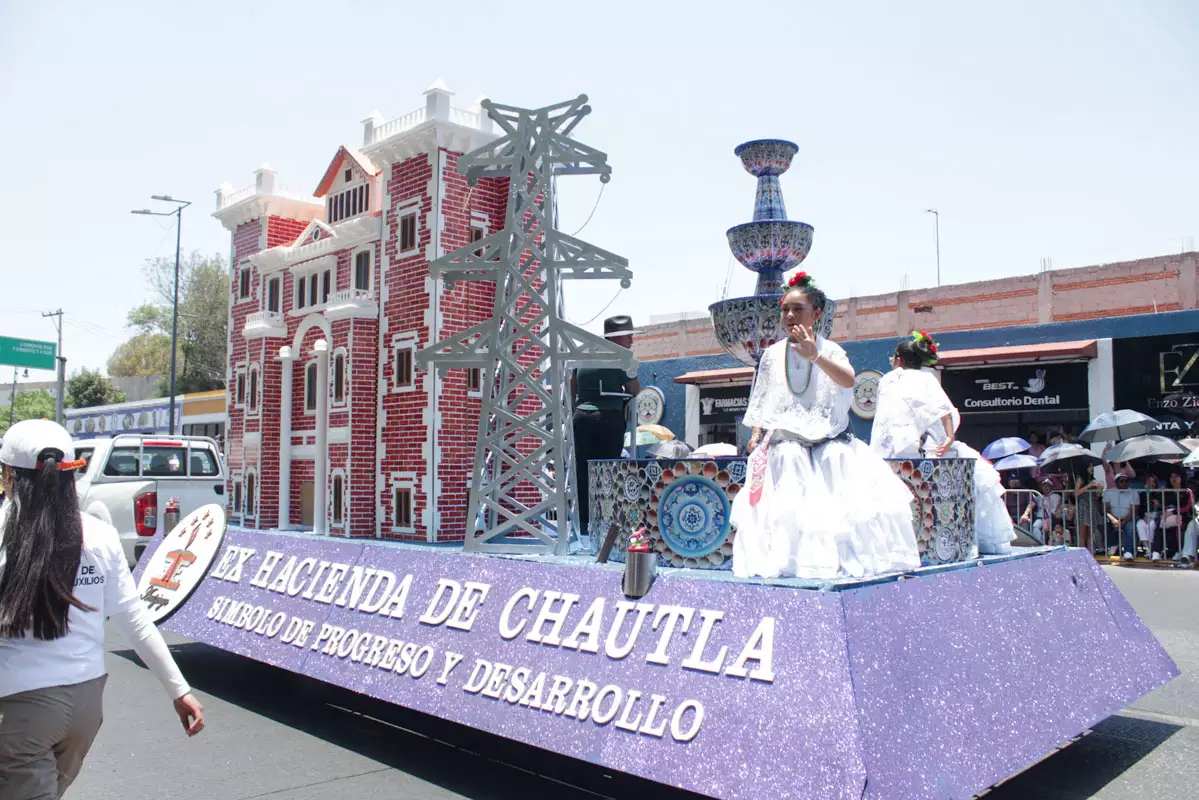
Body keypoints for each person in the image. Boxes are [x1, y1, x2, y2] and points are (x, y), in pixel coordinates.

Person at [0, 419, 204, 797]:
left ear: (10, 475)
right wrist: (179, 689)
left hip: (19, 706)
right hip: (86, 705)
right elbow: (134, 619)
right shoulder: (101, 536)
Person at [731, 272, 920, 580]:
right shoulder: (771, 354)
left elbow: (848, 380)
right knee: (788, 459)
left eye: (798, 309)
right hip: (786, 439)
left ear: (816, 313)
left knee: (836, 460)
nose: (790, 316)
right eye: (785, 309)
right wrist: (757, 435)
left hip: (828, 437)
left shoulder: (829, 349)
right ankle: (786, 559)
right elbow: (763, 399)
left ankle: (834, 558)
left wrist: (815, 356)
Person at [871, 331, 1015, 555]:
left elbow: (890, 422)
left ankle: (899, 547)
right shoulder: (926, 378)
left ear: (897, 359)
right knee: (938, 502)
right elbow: (943, 409)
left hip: (894, 452)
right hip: (923, 449)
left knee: (899, 501)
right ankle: (944, 545)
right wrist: (949, 437)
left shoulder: (890, 379)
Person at [571, 315, 640, 536]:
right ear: (617, 338)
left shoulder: (584, 355)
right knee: (609, 471)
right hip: (609, 418)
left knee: (583, 472)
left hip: (581, 418)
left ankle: (583, 522)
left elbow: (573, 386)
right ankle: (607, 524)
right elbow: (635, 389)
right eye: (628, 335)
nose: (631, 340)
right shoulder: (620, 357)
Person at [1103, 472, 1139, 559]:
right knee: (1107, 525)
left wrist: (1123, 522)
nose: (1125, 483)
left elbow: (1134, 511)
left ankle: (1128, 551)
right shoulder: (1108, 492)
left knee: (1131, 528)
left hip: (1128, 518)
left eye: (1126, 481)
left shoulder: (1133, 493)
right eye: (1122, 481)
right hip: (1113, 518)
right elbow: (1105, 509)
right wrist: (1113, 520)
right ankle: (1112, 545)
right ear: (1116, 483)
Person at [1072, 469, 1106, 552]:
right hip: (1083, 507)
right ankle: (1082, 554)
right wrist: (1089, 485)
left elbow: (1097, 496)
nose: (1091, 468)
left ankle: (1090, 554)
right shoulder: (1080, 479)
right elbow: (1076, 493)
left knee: (1090, 534)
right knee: (1082, 534)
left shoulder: (1094, 479)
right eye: (1089, 466)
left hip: (1092, 506)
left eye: (1092, 466)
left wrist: (1100, 489)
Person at [1137, 474, 1163, 559]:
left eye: (1153, 482)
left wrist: (1159, 505)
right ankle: (1147, 549)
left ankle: (1153, 549)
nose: (1151, 484)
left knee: (1151, 526)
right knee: (1140, 524)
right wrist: (1143, 517)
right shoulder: (1143, 494)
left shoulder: (1159, 494)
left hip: (1157, 516)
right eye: (1149, 482)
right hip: (1145, 516)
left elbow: (1164, 507)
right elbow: (1140, 508)